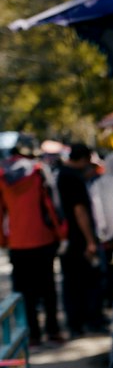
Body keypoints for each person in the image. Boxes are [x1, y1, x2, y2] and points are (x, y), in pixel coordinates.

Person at [0, 137, 63, 346]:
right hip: (43, 238)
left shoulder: (3, 175)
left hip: (17, 242)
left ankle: (32, 335)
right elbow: (51, 205)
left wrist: (3, 239)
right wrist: (61, 233)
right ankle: (53, 331)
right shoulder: (38, 171)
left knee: (25, 292)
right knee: (47, 289)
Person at [56, 143, 105, 338]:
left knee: (74, 282)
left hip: (68, 238)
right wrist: (90, 240)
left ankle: (78, 322)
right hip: (77, 238)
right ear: (84, 159)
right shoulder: (72, 178)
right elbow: (79, 211)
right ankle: (87, 321)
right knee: (84, 281)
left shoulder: (62, 174)